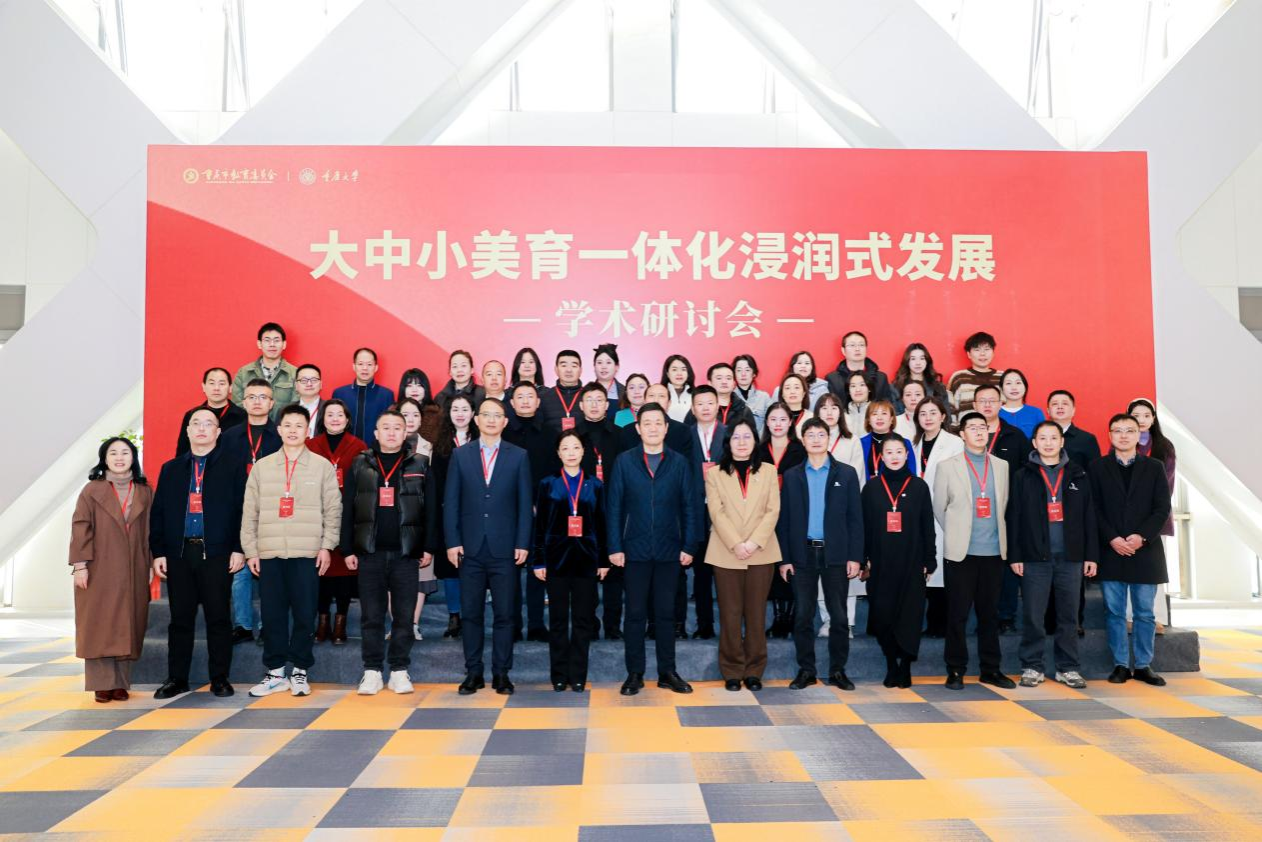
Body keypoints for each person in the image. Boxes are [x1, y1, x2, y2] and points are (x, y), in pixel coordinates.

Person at [240, 405, 341, 697]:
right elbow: (249, 512)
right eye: (288, 425)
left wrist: (327, 546)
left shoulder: (322, 466)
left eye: (299, 425)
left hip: (307, 553)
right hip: (269, 552)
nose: (293, 430)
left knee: (304, 615)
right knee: (272, 615)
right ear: (279, 430)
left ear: (307, 431)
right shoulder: (262, 467)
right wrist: (251, 551)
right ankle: (275, 673)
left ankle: (299, 671)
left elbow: (333, 510)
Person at [149, 408, 246, 699]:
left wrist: (239, 548)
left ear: (218, 432)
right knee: (180, 620)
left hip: (216, 553)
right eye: (196, 423)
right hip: (180, 554)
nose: (202, 428)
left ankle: (220, 678)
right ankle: (176, 678)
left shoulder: (232, 466)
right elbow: (158, 512)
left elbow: (242, 510)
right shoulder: (171, 469)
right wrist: (159, 552)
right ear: (188, 431)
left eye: (208, 423)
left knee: (219, 618)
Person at [606, 402, 701, 695]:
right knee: (635, 613)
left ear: (666, 428)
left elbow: (690, 506)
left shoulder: (679, 462)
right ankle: (634, 673)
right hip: (633, 550)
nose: (653, 428)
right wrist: (614, 546)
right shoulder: (624, 461)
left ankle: (667, 672)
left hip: (669, 549)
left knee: (665, 613)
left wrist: (689, 544)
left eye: (658, 423)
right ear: (638, 428)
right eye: (646, 423)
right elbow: (614, 506)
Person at [342, 409, 439, 695]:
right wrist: (347, 548)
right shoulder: (360, 463)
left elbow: (431, 509)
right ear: (376, 433)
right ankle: (371, 671)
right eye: (386, 427)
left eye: (398, 427)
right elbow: (348, 508)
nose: (392, 432)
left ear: (406, 432)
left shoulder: (420, 463)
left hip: (406, 554)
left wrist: (428, 546)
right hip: (369, 553)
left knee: (404, 616)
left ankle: (399, 670)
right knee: (371, 616)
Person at [446, 398, 534, 696]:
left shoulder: (518, 456)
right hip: (469, 549)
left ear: (505, 422)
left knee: (505, 614)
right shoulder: (461, 455)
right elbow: (451, 502)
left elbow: (525, 504)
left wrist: (522, 542)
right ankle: (473, 672)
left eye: (498, 415)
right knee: (471, 614)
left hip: (505, 548)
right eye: (487, 415)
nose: (492, 420)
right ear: (477, 419)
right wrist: (452, 541)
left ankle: (501, 673)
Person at [1008, 421, 1097, 690]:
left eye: (1053, 438)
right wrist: (1015, 556)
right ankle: (1032, 666)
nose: (1048, 443)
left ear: (1062, 442)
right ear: (1034, 443)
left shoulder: (1078, 474)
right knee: (1033, 616)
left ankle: (1067, 668)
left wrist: (1091, 555)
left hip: (1071, 557)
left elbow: (1089, 517)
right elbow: (1014, 518)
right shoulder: (1023, 476)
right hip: (1035, 557)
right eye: (1043, 438)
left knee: (1069, 616)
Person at [778, 418, 863, 691]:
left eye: (821, 435)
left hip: (835, 553)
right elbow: (784, 520)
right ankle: (806, 670)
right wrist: (785, 559)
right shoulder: (792, 475)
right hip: (802, 554)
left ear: (829, 439)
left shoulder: (846, 474)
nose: (816, 439)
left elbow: (855, 519)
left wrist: (855, 556)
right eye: (810, 435)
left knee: (839, 616)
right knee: (803, 615)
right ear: (802, 440)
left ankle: (838, 670)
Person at [932, 411, 1015, 691]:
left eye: (983, 427)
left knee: (989, 615)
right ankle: (955, 669)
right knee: (957, 614)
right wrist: (958, 533)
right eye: (973, 428)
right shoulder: (947, 466)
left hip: (993, 552)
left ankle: (991, 669)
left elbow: (1004, 505)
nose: (979, 432)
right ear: (962, 434)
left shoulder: (1001, 466)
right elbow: (940, 507)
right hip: (961, 553)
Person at [1089, 413, 1172, 687]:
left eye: (1129, 430)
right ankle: (1121, 665)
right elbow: (1093, 508)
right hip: (1111, 550)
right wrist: (1112, 538)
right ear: (1110, 435)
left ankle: (1144, 665)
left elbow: (1162, 508)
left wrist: (1142, 537)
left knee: (1144, 613)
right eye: (1117, 431)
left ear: (1139, 435)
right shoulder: (1097, 467)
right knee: (1114, 613)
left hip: (1145, 551)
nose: (1123, 436)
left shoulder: (1155, 467)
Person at [69, 437, 153, 702]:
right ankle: (101, 683)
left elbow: (151, 531)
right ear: (104, 459)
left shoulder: (144, 491)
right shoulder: (92, 490)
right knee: (100, 623)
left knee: (128, 622)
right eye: (113, 453)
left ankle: (120, 683)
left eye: (125, 452)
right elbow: (80, 526)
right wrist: (80, 565)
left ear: (133, 458)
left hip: (134, 566)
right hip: (98, 566)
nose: (119, 457)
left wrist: (150, 563)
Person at [705, 420, 781, 691]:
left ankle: (754, 670)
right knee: (730, 614)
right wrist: (737, 544)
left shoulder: (769, 471)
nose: (741, 442)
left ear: (755, 441)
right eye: (736, 437)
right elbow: (716, 512)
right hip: (726, 552)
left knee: (756, 614)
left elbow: (773, 510)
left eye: (747, 436)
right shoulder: (715, 474)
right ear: (728, 442)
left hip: (761, 551)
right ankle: (732, 670)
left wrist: (753, 543)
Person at [533, 430, 608, 692]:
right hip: (556, 560)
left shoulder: (595, 485)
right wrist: (539, 560)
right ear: (558, 453)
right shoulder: (547, 484)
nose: (571, 453)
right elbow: (540, 526)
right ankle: (558, 674)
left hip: (587, 559)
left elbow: (602, 524)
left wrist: (603, 560)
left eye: (575, 447)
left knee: (582, 619)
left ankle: (577, 674)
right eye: (565, 448)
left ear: (583, 451)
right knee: (557, 620)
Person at [861, 437, 936, 688]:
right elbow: (863, 527)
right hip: (880, 564)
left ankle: (905, 665)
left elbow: (927, 526)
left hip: (912, 562)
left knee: (910, 615)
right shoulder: (871, 488)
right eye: (889, 452)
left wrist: (930, 559)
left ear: (906, 455)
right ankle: (891, 662)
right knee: (883, 615)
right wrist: (863, 559)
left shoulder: (918, 486)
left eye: (899, 452)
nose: (894, 456)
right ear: (881, 457)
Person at [221, 378, 280, 645]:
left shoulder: (279, 435)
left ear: (272, 403)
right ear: (243, 402)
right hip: (237, 509)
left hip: (271, 510)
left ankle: (268, 625)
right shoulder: (229, 436)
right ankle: (242, 625)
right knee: (240, 571)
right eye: (252, 397)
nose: (257, 402)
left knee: (269, 572)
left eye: (263, 397)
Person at [973, 383, 1032, 634]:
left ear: (1001, 404)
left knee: (1007, 564)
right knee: (980, 567)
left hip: (1008, 511)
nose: (987, 405)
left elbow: (1027, 473)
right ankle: (984, 616)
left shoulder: (1015, 436)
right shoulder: (964, 435)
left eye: (992, 400)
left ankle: (1006, 615)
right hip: (975, 513)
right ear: (974, 405)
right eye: (982, 401)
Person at [505, 382, 559, 642]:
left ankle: (537, 624)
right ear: (512, 403)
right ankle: (513, 624)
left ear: (538, 402)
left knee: (539, 567)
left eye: (530, 396)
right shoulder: (504, 433)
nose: (525, 400)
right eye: (520, 396)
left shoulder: (550, 433)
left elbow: (555, 473)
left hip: (542, 510)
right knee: (511, 569)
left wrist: (541, 502)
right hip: (509, 511)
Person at [307, 400, 364, 646]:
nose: (335, 419)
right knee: (321, 570)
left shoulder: (359, 446)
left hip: (348, 515)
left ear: (347, 419)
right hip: (317, 515)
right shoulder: (310, 445)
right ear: (323, 418)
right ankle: (322, 621)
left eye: (340, 414)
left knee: (343, 573)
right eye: (330, 414)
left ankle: (340, 621)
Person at [575, 382, 625, 639]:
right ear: (581, 405)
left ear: (607, 405)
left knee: (615, 570)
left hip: (615, 509)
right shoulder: (572, 437)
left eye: (599, 400)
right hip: (582, 511)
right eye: (589, 400)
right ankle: (590, 625)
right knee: (585, 572)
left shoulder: (621, 434)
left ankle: (613, 626)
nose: (594, 405)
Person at [912, 396, 963, 639]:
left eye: (933, 413)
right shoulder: (912, 444)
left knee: (941, 570)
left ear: (943, 416)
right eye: (923, 414)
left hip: (944, 513)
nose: (928, 418)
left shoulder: (954, 443)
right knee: (923, 567)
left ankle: (940, 623)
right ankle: (928, 622)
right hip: (917, 514)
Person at [429, 395, 478, 641]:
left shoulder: (481, 440)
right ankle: (454, 616)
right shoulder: (440, 444)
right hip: (448, 512)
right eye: (455, 409)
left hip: (476, 513)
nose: (460, 414)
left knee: (473, 565)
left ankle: (471, 615)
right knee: (451, 566)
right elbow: (436, 482)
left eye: (465, 409)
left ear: (473, 413)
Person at [759, 402, 807, 640]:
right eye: (773, 419)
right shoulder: (758, 451)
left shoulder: (801, 450)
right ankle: (779, 617)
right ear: (767, 423)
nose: (778, 424)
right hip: (764, 515)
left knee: (792, 562)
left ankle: (791, 617)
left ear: (790, 423)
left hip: (793, 513)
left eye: (783, 419)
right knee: (772, 563)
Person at [1129, 397, 1176, 632]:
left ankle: (1156, 617)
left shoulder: (1164, 447)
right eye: (1136, 416)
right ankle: (1130, 616)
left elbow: (1168, 484)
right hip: (1128, 518)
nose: (1142, 420)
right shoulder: (1123, 442)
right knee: (1129, 567)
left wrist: (1153, 511)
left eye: (1146, 415)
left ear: (1154, 419)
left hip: (1156, 518)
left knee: (1154, 568)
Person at [683, 385, 726, 640]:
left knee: (726, 574)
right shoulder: (685, 435)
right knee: (701, 573)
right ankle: (704, 625)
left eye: (710, 403)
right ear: (693, 408)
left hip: (725, 512)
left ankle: (730, 626)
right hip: (696, 511)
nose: (705, 408)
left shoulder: (730, 434)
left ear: (718, 405)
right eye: (700, 404)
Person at [396, 398, 438, 637]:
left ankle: (412, 624)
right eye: (405, 414)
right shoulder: (385, 444)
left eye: (415, 415)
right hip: (392, 519)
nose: (410, 419)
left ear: (422, 420)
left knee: (421, 576)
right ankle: (397, 624)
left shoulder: (431, 449)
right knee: (391, 576)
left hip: (420, 519)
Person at [332, 347, 395, 449]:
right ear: (354, 366)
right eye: (360, 364)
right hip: (344, 450)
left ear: (376, 367)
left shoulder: (386, 395)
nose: (365, 368)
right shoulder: (340, 393)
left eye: (369, 364)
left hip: (375, 452)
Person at [231, 322, 297, 418]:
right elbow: (237, 405)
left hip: (281, 427)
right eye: (267, 340)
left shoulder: (295, 374)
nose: (272, 344)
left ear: (284, 344)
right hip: (250, 426)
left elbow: (296, 407)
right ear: (259, 344)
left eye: (276, 340)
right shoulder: (244, 373)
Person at [176, 367, 246, 455]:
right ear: (204, 387)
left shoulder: (242, 416)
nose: (216, 388)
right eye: (212, 383)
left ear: (230, 388)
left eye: (221, 383)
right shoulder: (191, 415)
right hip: (199, 463)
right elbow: (182, 451)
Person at [620, 383, 697, 460]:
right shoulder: (628, 431)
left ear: (669, 403)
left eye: (661, 396)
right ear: (644, 401)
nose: (656, 400)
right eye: (651, 396)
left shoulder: (683, 431)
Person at [825, 330, 896, 404]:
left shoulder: (881, 378)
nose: (857, 349)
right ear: (843, 350)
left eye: (861, 345)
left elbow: (887, 406)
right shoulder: (833, 379)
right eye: (852, 345)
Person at [859, 400, 918, 482]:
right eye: (875, 414)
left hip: (898, 488)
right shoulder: (860, 443)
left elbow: (912, 473)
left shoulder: (904, 443)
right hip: (868, 488)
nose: (879, 418)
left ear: (892, 419)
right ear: (868, 420)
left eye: (884, 413)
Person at [947, 331, 1002, 415]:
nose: (982, 354)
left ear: (993, 353)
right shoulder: (959, 377)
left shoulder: (1003, 377)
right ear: (969, 354)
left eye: (987, 349)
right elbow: (950, 409)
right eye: (977, 350)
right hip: (965, 423)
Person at [1047, 389, 1102, 471]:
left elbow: (1096, 471)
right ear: (1048, 411)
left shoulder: (1087, 439)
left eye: (1065, 403)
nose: (1060, 407)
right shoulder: (1038, 438)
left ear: (1073, 410)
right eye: (1055, 404)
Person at [892, 342, 951, 414]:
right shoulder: (896, 387)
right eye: (913, 359)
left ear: (927, 361)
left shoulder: (938, 387)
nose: (918, 363)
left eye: (922, 358)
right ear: (907, 361)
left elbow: (946, 415)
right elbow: (893, 415)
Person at [697, 361, 754, 431]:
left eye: (728, 378)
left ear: (734, 384)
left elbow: (752, 436)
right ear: (710, 383)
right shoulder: (700, 409)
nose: (724, 382)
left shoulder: (744, 411)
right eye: (719, 378)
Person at [540, 349, 585, 431]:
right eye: (564, 365)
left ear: (580, 370)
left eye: (574, 366)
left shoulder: (588, 396)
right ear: (556, 369)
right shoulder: (544, 397)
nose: (569, 370)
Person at [398, 367, 443, 446]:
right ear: (403, 389)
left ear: (425, 388)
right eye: (409, 386)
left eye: (419, 385)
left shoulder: (437, 414)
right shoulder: (394, 413)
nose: (414, 390)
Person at [998, 369, 1045, 437]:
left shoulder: (1036, 413)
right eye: (1008, 383)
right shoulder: (995, 413)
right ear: (1001, 389)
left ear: (1025, 387)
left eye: (1018, 383)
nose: (1014, 387)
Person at [733, 354, 773, 434]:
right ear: (734, 374)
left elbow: (771, 424)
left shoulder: (764, 398)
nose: (743, 374)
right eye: (739, 370)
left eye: (747, 370)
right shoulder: (729, 397)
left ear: (754, 373)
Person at [293, 363, 325, 438]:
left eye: (314, 380)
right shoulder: (284, 410)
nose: (309, 384)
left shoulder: (329, 409)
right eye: (304, 380)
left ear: (321, 384)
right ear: (296, 385)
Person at [661, 354, 696, 423]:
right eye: (674, 370)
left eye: (683, 369)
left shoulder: (696, 394)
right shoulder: (661, 393)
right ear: (667, 373)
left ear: (688, 373)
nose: (679, 373)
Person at [842, 371, 873, 441]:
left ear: (869, 388)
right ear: (848, 391)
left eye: (862, 385)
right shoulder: (842, 415)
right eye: (853, 386)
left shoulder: (877, 412)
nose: (858, 389)